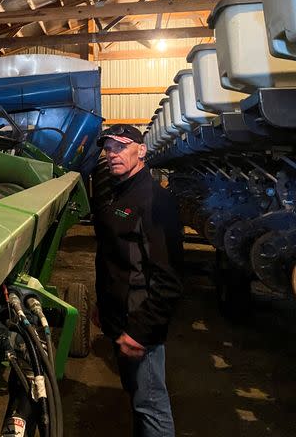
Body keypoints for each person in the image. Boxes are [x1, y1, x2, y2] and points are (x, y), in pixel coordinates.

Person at [92, 124, 183, 437]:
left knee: (152, 406)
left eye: (122, 146)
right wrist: (102, 306)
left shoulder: (155, 201)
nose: (113, 154)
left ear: (141, 150)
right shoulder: (119, 191)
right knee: (138, 400)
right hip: (119, 318)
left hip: (138, 322)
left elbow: (169, 278)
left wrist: (141, 331)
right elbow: (113, 259)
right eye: (108, 148)